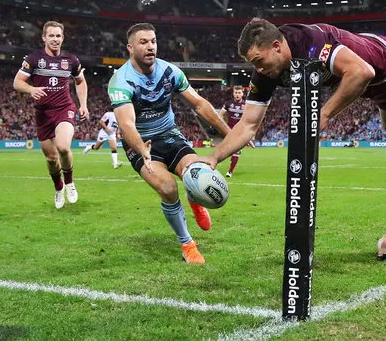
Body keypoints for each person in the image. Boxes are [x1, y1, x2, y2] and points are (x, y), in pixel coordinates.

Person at [197, 19, 386, 173]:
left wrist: (324, 114)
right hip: (380, 52)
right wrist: (214, 156)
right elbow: (248, 125)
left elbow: (361, 72)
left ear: (277, 46)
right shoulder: (266, 71)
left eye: (259, 61)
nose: (258, 69)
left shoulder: (311, 44)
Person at [108, 23, 230, 264]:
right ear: (130, 48)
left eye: (153, 41)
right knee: (168, 189)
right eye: (143, 42)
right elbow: (127, 124)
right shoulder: (120, 80)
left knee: (199, 171)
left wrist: (228, 131)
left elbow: (198, 103)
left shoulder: (170, 71)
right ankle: (187, 245)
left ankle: (194, 199)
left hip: (170, 134)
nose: (150, 46)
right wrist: (142, 149)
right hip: (140, 144)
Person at [13, 21, 89, 209]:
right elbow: (17, 82)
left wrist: (83, 105)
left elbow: (80, 82)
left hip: (64, 108)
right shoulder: (33, 59)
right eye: (51, 36)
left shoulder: (71, 60)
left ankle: (70, 182)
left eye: (58, 36)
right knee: (51, 158)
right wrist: (31, 89)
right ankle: (58, 187)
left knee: (63, 147)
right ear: (44, 37)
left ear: (62, 38)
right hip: (43, 113)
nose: (55, 39)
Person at [219, 85, 246, 178]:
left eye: (239, 93)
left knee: (236, 151)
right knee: (228, 150)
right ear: (233, 93)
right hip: (229, 131)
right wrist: (222, 126)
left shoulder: (246, 105)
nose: (237, 94)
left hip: (241, 131)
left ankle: (230, 171)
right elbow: (221, 115)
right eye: (236, 92)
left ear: (242, 93)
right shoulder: (228, 103)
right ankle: (238, 149)